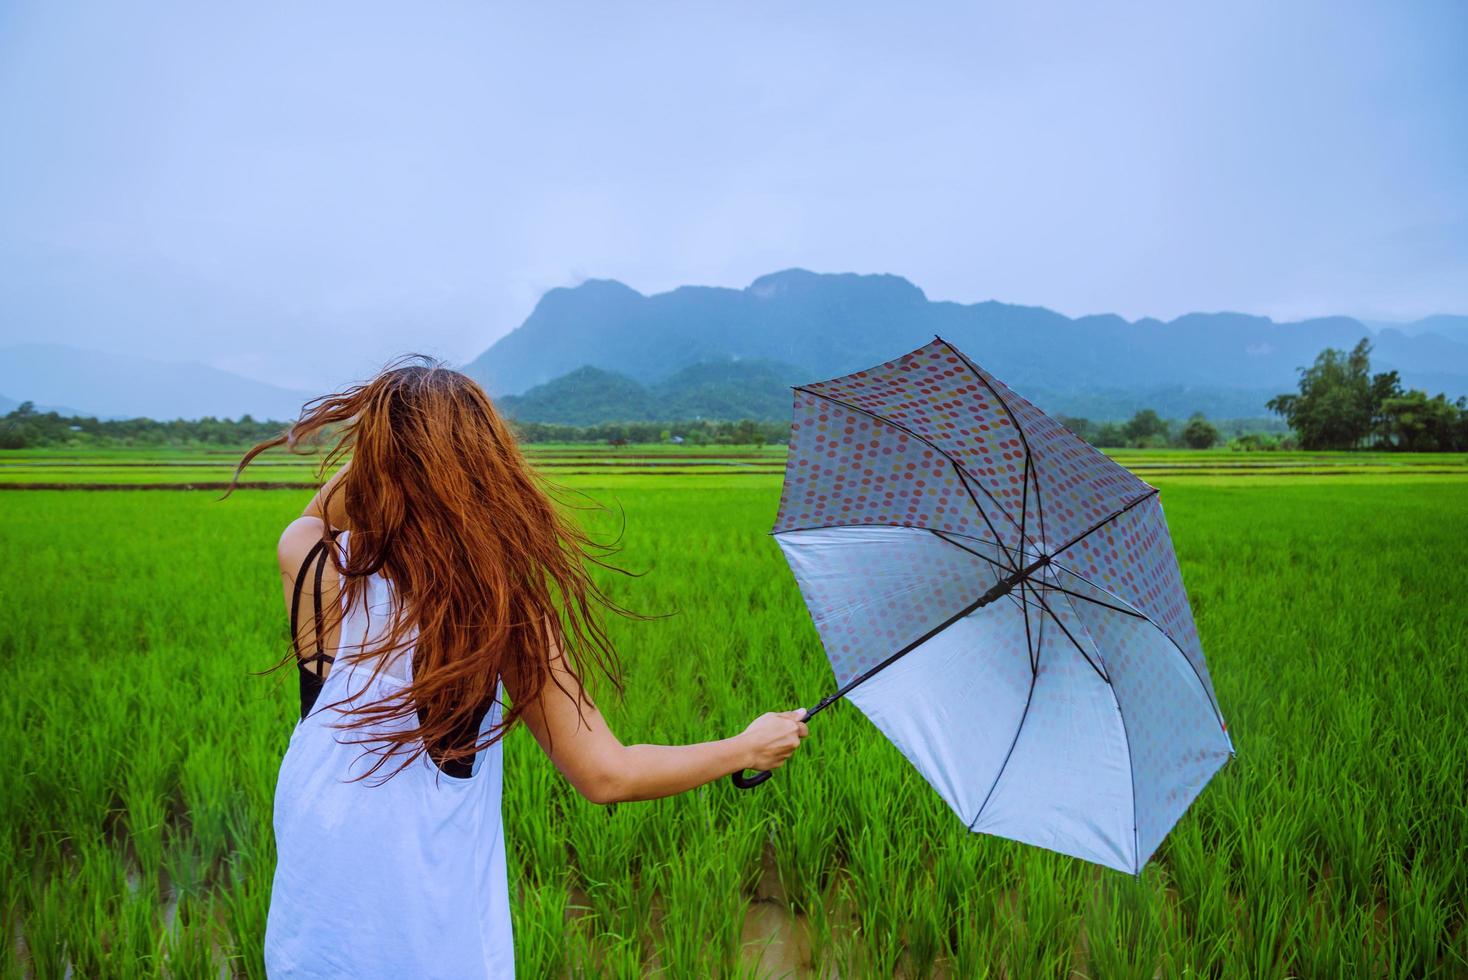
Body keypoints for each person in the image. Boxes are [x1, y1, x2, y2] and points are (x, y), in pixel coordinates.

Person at [230, 357, 809, 978]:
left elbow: (322, 511)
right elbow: (606, 774)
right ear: (484, 470)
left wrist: (390, 445)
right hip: (434, 947)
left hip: (309, 937)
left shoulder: (314, 562)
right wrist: (747, 747)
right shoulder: (498, 607)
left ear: (373, 463)